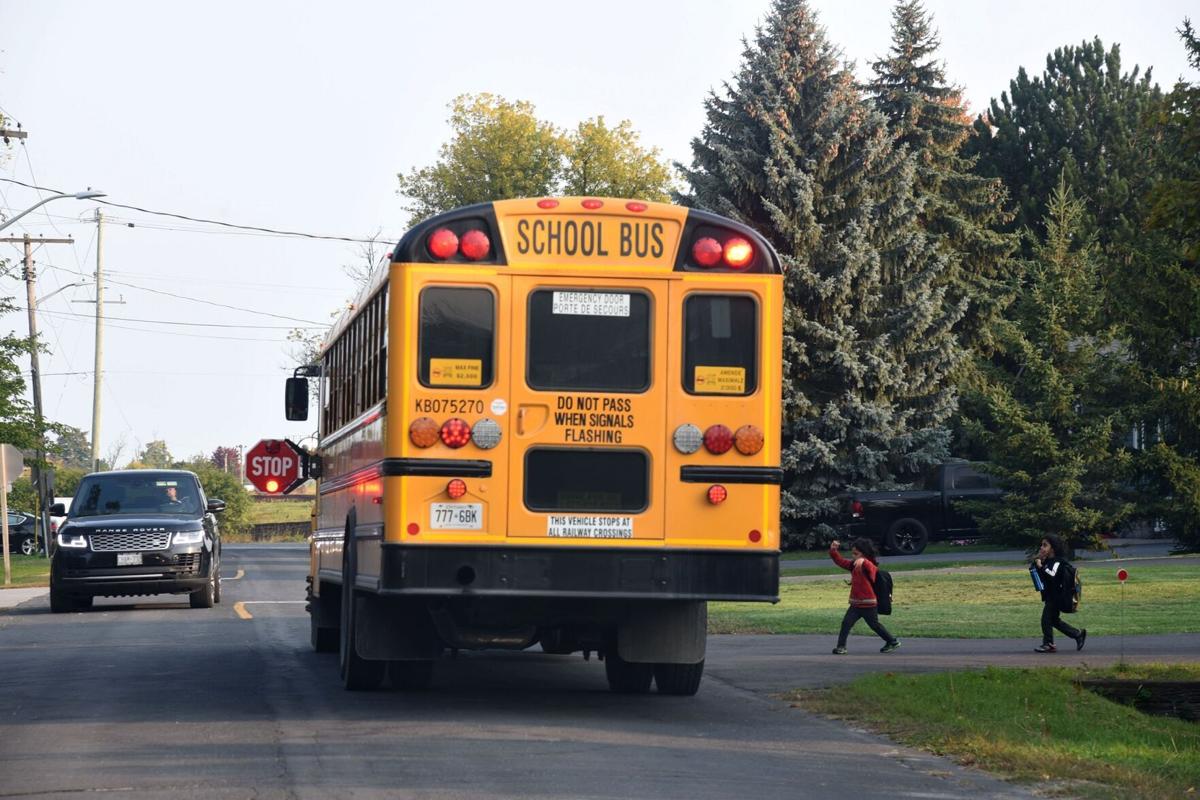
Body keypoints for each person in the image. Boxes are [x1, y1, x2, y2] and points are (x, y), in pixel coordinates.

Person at [828, 537, 900, 654]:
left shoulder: (868, 565)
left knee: (874, 625)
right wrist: (833, 551)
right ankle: (841, 647)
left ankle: (892, 641)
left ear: (864, 554)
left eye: (856, 554)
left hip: (868, 603)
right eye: (852, 554)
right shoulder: (853, 565)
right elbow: (841, 562)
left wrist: (864, 561)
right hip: (856, 604)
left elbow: (873, 571)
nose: (853, 556)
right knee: (846, 623)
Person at [1032, 534, 1086, 653]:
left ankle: (1048, 644)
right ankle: (1078, 634)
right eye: (1041, 545)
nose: (1041, 547)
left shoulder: (1058, 561)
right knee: (1054, 620)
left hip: (1057, 597)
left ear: (1053, 548)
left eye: (1045, 545)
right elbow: (1040, 576)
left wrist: (1041, 567)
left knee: (1045, 619)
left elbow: (1052, 575)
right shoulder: (1047, 561)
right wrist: (1038, 562)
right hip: (1051, 596)